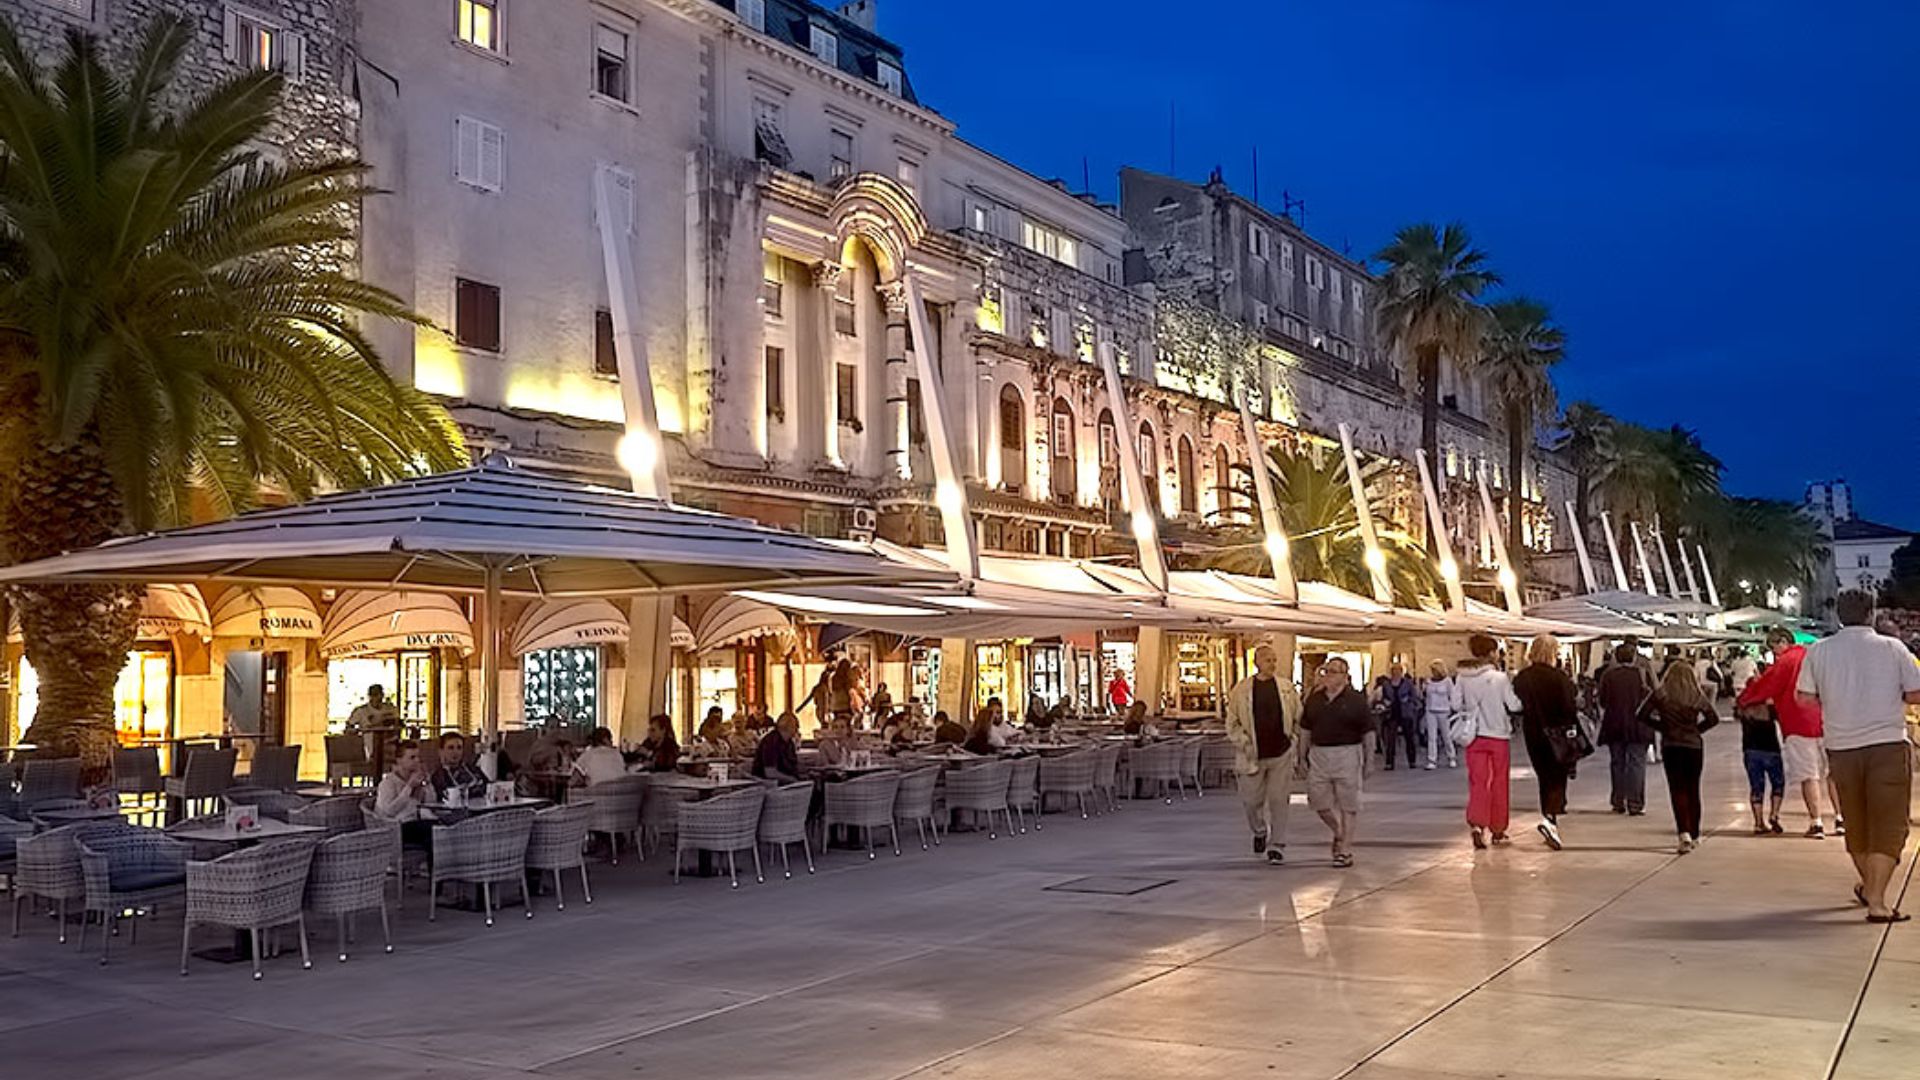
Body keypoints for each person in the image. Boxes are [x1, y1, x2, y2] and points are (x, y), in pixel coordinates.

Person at [1795, 590, 1920, 922]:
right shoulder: (1893, 648)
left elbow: (1804, 698)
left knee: (1857, 822)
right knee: (1891, 825)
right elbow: (1916, 692)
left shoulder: (1818, 651)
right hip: (1887, 745)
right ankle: (1877, 902)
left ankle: (1869, 889)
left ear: (1838, 614)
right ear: (1872, 613)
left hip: (1841, 747)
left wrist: (1837, 698)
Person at [1738, 627, 1837, 838]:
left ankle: (1817, 822)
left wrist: (1744, 700)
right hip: (1827, 720)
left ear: (1783, 642)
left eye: (1774, 649)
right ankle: (1840, 819)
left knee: (1809, 775)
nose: (1775, 655)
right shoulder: (1815, 656)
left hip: (1798, 723)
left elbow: (1767, 685)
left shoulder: (1786, 661)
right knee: (1833, 773)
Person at [1225, 643, 1302, 865]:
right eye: (1267, 659)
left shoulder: (1286, 688)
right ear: (1257, 662)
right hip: (1253, 754)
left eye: (1274, 659)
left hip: (1281, 752)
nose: (1272, 663)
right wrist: (1244, 742)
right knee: (1251, 801)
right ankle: (1259, 830)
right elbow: (1232, 722)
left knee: (1279, 800)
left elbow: (1298, 715)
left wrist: (1294, 740)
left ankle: (1277, 844)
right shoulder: (1241, 690)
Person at [1300, 656, 1374, 868]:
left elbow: (1368, 731)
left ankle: (1345, 850)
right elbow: (1305, 728)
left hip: (1347, 753)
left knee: (1348, 804)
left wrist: (1370, 760)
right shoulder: (1314, 699)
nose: (1328, 676)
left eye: (1333, 672)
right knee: (1318, 802)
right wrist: (1301, 757)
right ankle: (1338, 831)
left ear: (1344, 676)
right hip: (1319, 754)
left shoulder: (1355, 700)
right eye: (1326, 671)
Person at [1637, 662, 1719, 854]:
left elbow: (1641, 715)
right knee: (1693, 789)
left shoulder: (1661, 695)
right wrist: (1696, 731)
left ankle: (1684, 834)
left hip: (1671, 745)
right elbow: (1713, 718)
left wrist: (1662, 727)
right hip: (1694, 746)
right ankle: (1695, 833)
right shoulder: (1696, 696)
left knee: (1677, 790)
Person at [1457, 634, 1524, 850]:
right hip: (1498, 735)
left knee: (1478, 782)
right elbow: (1513, 706)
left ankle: (1477, 824)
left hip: (1474, 736)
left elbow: (1455, 703)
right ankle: (1498, 829)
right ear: (1491, 653)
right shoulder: (1499, 678)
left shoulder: (1462, 677)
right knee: (1499, 781)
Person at [1513, 635, 1578, 851]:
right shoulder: (1559, 677)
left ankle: (1549, 816)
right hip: (1557, 731)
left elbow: (1517, 704)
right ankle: (1551, 817)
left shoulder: (1523, 677)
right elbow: (1569, 706)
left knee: (1543, 774)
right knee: (1558, 774)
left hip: (1533, 732)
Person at [1597, 642, 1656, 815]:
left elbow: (1602, 701)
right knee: (1636, 764)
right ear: (1634, 657)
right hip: (1638, 725)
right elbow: (1653, 697)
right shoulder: (1642, 675)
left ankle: (1618, 801)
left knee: (1617, 763)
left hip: (1614, 724)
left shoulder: (1609, 676)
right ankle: (1635, 803)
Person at [1737, 701, 1786, 835]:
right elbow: (1782, 717)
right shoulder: (1771, 709)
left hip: (1751, 751)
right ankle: (1774, 814)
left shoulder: (1743, 708)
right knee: (1778, 784)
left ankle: (1758, 823)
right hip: (1772, 750)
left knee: (1756, 787)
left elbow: (1736, 712)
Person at [374, 740, 434, 849]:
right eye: (412, 758)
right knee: (431, 831)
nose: (417, 761)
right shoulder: (388, 783)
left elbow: (431, 803)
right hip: (395, 827)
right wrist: (409, 787)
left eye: (418, 757)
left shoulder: (417, 779)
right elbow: (389, 811)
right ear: (399, 761)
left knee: (439, 829)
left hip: (415, 822)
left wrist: (427, 784)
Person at [1375, 663, 1422, 771]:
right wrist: (1384, 703)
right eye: (1394, 670)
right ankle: (1389, 762)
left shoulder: (1408, 683)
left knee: (1409, 738)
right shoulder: (1387, 684)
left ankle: (1412, 760)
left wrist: (1410, 703)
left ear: (1401, 671)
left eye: (1398, 670)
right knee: (1390, 739)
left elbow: (1414, 696)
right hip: (1392, 714)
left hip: (1405, 713)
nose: (1395, 672)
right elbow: (1384, 697)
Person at [428, 732, 486, 799]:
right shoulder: (438, 777)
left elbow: (489, 787)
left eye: (459, 748)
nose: (455, 752)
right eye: (451, 748)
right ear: (441, 751)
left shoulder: (474, 769)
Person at [1423, 661, 1458, 769]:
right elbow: (1424, 694)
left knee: (1446, 735)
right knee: (1431, 737)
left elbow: (1452, 695)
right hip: (1430, 710)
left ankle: (1451, 757)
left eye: (1434, 670)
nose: (1432, 672)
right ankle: (1432, 759)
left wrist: (1453, 708)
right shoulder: (1428, 681)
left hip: (1444, 710)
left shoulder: (1447, 681)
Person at [751, 712, 802, 782]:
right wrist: (792, 779)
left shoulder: (789, 743)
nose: (797, 729)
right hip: (767, 784)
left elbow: (793, 767)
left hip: (786, 783)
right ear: (789, 726)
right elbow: (770, 773)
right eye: (796, 726)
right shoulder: (770, 742)